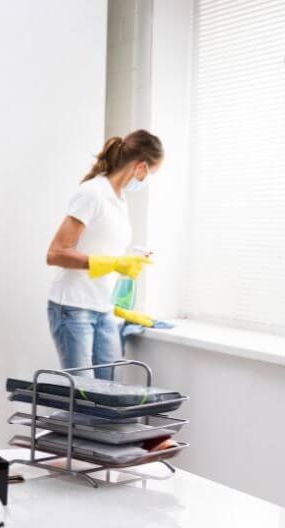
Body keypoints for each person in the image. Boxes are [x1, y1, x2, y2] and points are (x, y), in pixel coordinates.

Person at [45, 129, 163, 380]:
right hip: (73, 307)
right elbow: (55, 253)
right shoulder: (92, 193)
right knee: (84, 394)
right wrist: (114, 263)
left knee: (108, 393)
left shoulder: (119, 199)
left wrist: (130, 257)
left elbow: (101, 247)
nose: (147, 180)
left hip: (103, 306)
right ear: (140, 167)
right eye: (151, 174)